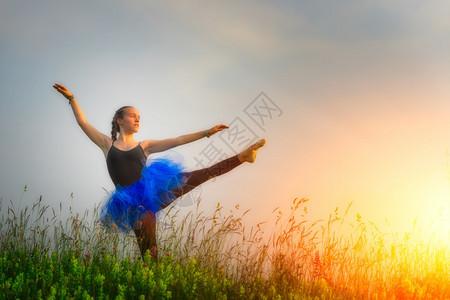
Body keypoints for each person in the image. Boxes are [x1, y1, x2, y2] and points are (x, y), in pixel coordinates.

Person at [53, 83, 267, 259]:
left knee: (203, 174)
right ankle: (152, 282)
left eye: (139, 117)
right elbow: (83, 122)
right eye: (132, 116)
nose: (137, 119)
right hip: (132, 204)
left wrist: (207, 132)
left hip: (154, 190)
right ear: (120, 120)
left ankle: (243, 157)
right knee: (149, 252)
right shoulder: (106, 145)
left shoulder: (144, 146)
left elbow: (177, 140)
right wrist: (72, 99)